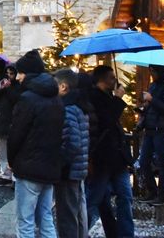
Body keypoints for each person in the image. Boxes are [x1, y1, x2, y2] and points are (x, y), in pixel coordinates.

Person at [9, 50, 64, 238]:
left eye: (20, 73)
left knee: (25, 221)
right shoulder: (56, 97)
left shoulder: (28, 98)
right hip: (49, 166)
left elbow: (16, 133)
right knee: (46, 218)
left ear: (28, 73)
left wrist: (11, 159)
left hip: (29, 166)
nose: (17, 78)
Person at [87, 64, 135, 238]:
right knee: (94, 199)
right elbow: (106, 121)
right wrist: (118, 100)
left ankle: (125, 234)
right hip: (102, 158)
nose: (115, 80)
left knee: (125, 197)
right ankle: (78, 230)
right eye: (111, 78)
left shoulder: (107, 96)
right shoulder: (94, 97)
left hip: (118, 158)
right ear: (102, 79)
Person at [54, 68, 90, 238]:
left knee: (67, 216)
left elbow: (72, 143)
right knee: (76, 213)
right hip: (78, 168)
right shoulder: (79, 106)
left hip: (69, 171)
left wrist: (60, 163)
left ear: (63, 87)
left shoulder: (67, 109)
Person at [136, 64, 164, 205]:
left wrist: (152, 100)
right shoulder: (153, 86)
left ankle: (162, 195)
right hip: (149, 128)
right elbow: (151, 107)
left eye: (153, 71)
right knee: (143, 162)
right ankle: (152, 191)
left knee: (161, 163)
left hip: (161, 129)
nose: (151, 73)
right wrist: (143, 110)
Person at [0, 64, 20, 185]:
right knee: (1, 151)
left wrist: (8, 89)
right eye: (7, 73)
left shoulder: (18, 86)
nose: (9, 76)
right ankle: (5, 174)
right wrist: (0, 89)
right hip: (0, 121)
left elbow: (16, 100)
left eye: (11, 74)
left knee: (12, 151)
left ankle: (14, 176)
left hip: (12, 122)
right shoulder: (0, 84)